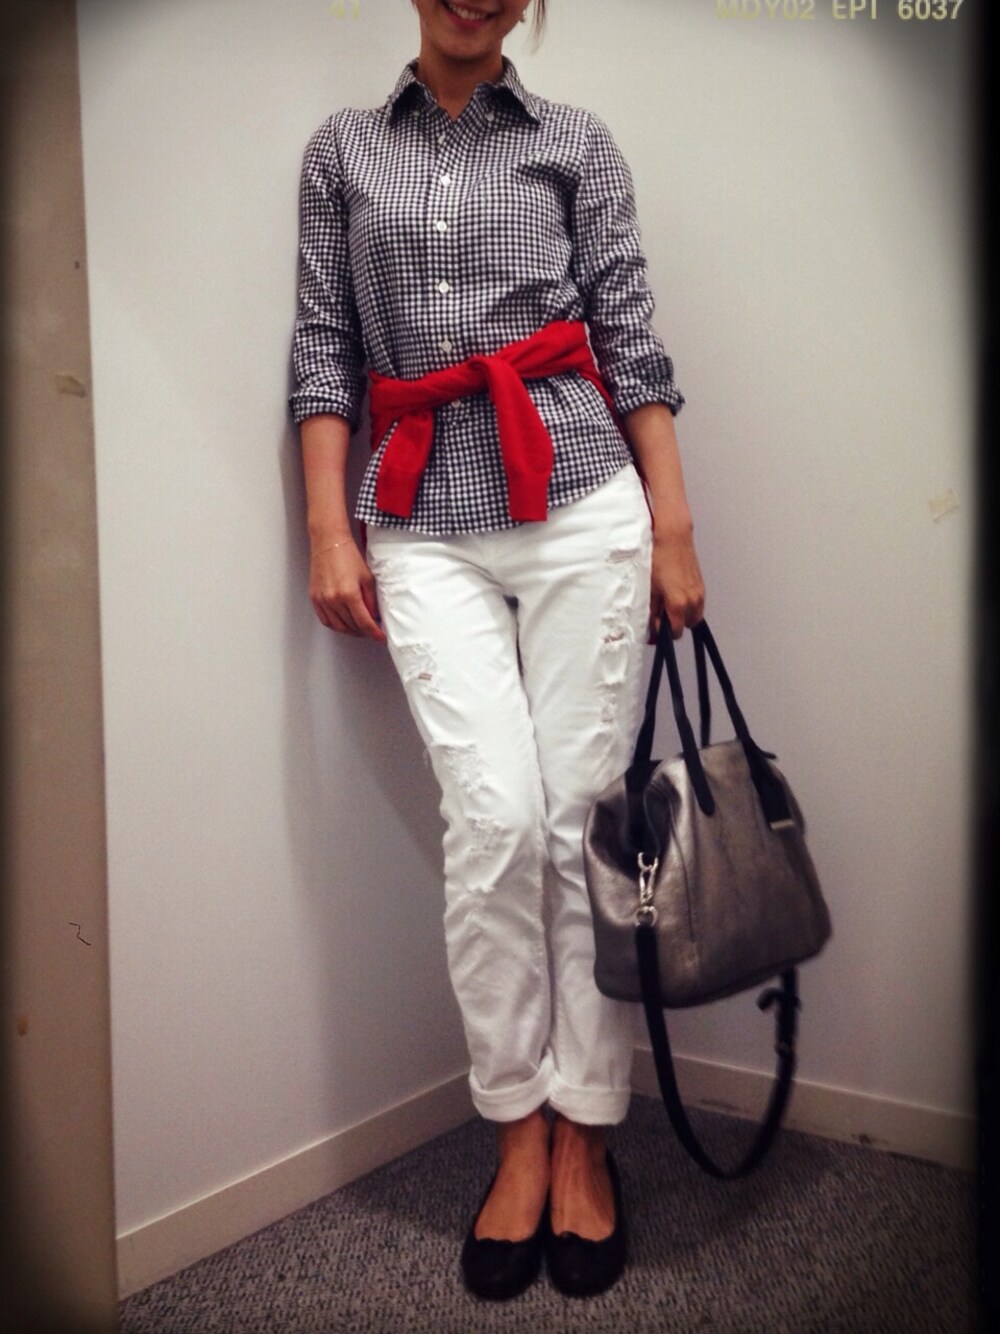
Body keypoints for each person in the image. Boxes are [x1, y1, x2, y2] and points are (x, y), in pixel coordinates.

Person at [290, 0, 705, 1301]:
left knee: (584, 823)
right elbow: (324, 346)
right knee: (495, 821)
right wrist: (327, 527)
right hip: (421, 516)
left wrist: (675, 527)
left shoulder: (576, 140)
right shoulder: (343, 148)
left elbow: (629, 336)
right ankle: (516, 1128)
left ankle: (586, 1135)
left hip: (582, 500)